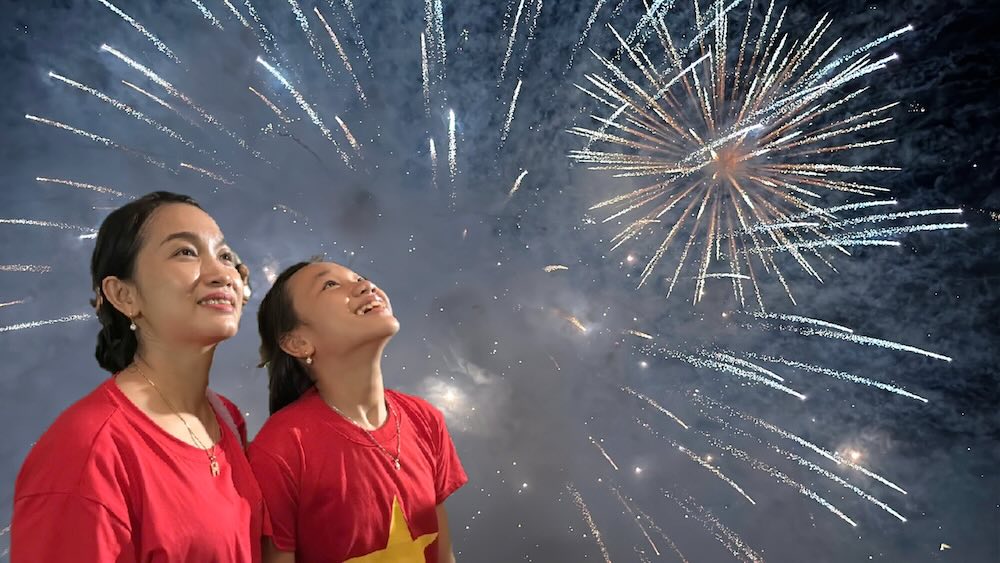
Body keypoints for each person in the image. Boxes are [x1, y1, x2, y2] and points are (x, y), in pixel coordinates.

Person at [11, 191, 268, 562]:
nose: (222, 274)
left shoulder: (225, 417)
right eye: (186, 252)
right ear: (123, 295)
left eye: (226, 256)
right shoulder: (88, 452)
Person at [250, 259, 467, 563]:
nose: (366, 286)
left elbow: (443, 555)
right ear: (298, 343)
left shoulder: (424, 418)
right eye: (330, 285)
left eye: (360, 277)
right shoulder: (282, 448)